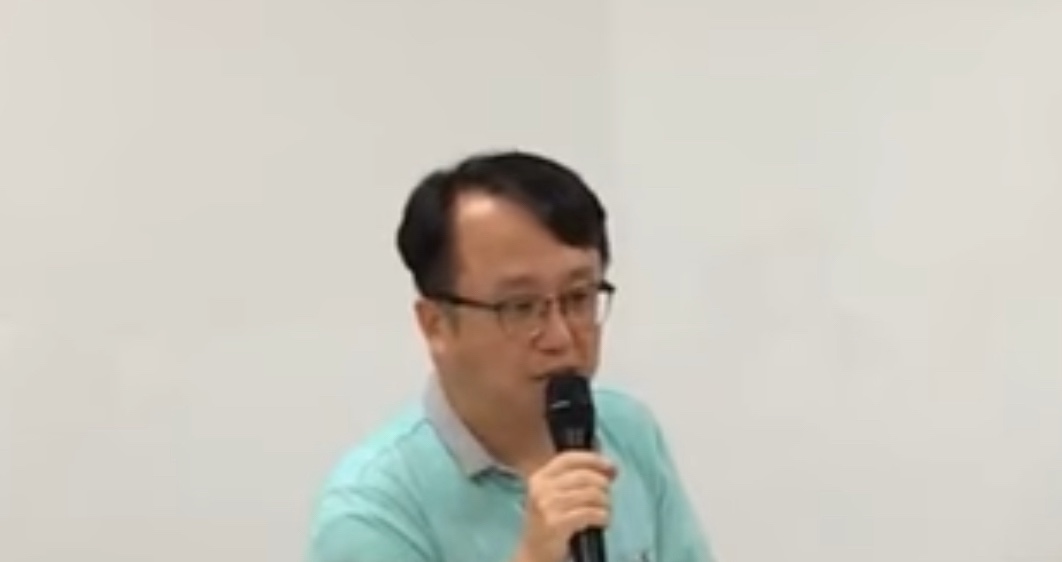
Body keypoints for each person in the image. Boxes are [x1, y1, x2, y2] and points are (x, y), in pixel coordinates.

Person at [308, 150, 714, 562]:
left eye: (578, 297)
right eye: (520, 307)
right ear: (436, 325)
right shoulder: (371, 511)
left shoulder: (628, 431)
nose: (559, 337)